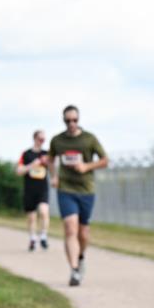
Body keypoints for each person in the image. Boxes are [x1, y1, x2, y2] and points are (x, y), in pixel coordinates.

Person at [48, 105, 107, 286]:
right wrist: (54, 176)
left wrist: (86, 167)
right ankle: (74, 270)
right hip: (66, 189)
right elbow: (51, 159)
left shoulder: (89, 139)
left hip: (86, 189)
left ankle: (81, 257)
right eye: (68, 121)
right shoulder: (57, 141)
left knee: (83, 232)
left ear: (79, 120)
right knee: (70, 227)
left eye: (74, 120)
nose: (71, 124)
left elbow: (105, 160)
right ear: (63, 121)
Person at [16, 130, 51, 251]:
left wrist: (49, 162)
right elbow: (19, 171)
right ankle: (32, 238)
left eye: (44, 139)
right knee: (31, 217)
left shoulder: (47, 154)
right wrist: (32, 165)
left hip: (43, 189)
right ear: (35, 139)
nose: (42, 142)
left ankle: (43, 236)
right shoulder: (26, 154)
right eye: (40, 139)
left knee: (43, 211)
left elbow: (54, 166)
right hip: (29, 189)